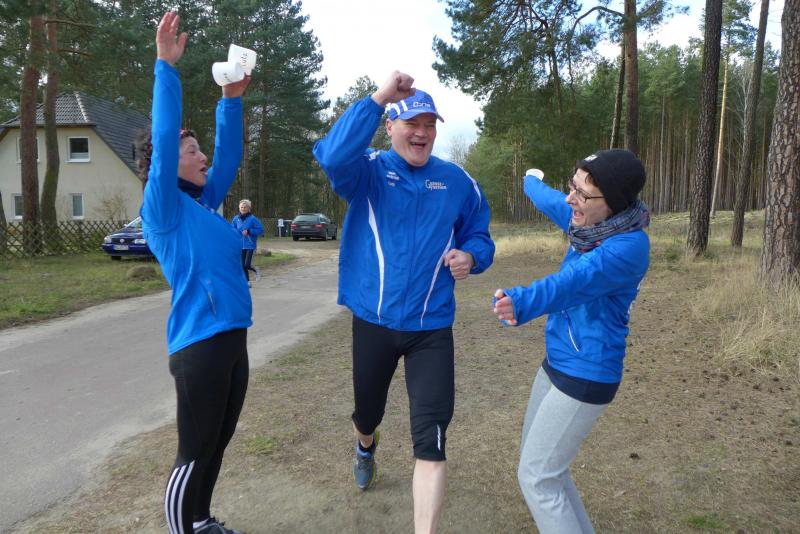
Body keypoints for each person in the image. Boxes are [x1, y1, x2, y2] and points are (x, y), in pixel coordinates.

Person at [313, 71, 495, 534]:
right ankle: (365, 446)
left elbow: (479, 233)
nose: (422, 133)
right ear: (390, 126)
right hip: (374, 323)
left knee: (431, 440)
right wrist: (377, 98)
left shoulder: (457, 181)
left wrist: (472, 255)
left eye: (430, 124)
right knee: (367, 414)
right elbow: (331, 155)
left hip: (431, 328)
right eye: (412, 122)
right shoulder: (368, 171)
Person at [492, 150, 650, 534]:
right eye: (572, 186)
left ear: (613, 202)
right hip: (558, 364)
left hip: (587, 373)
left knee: (538, 478)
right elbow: (552, 201)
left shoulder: (627, 247)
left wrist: (524, 300)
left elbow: (574, 282)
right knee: (548, 471)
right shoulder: (590, 224)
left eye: (582, 193)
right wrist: (530, 181)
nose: (570, 199)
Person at [138, 12, 251, 534]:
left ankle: (201, 521)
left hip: (232, 338)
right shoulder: (163, 208)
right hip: (198, 345)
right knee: (194, 450)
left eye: (199, 148)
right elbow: (164, 139)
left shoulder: (203, 204)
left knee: (218, 441)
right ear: (169, 163)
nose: (202, 155)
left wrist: (231, 99)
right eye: (192, 151)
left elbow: (227, 156)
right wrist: (166, 67)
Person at [231, 199, 264, 284]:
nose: (243, 209)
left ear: (249, 208)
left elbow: (260, 230)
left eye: (245, 207)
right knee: (242, 265)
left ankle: (256, 270)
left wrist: (249, 231)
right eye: (241, 207)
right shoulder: (236, 219)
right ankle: (247, 282)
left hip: (250, 244)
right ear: (239, 208)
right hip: (240, 245)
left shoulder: (253, 219)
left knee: (247, 264)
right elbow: (232, 229)